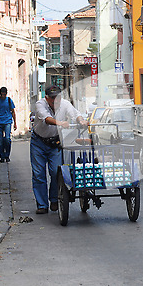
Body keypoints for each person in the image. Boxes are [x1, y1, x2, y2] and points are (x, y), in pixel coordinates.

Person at [31, 85, 88, 214]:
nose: (55, 100)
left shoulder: (65, 104)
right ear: (47, 98)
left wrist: (81, 120)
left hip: (55, 142)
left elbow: (75, 114)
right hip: (38, 142)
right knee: (38, 174)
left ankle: (54, 199)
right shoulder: (40, 104)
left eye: (57, 97)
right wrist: (60, 123)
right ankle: (42, 204)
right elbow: (46, 119)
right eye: (52, 98)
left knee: (56, 172)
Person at [0, 87, 17, 163]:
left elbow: (13, 111)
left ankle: (7, 155)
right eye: (2, 94)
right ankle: (2, 156)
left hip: (7, 121)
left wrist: (15, 123)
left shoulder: (9, 101)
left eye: (4, 94)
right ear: (0, 94)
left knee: (7, 138)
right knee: (0, 141)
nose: (3, 96)